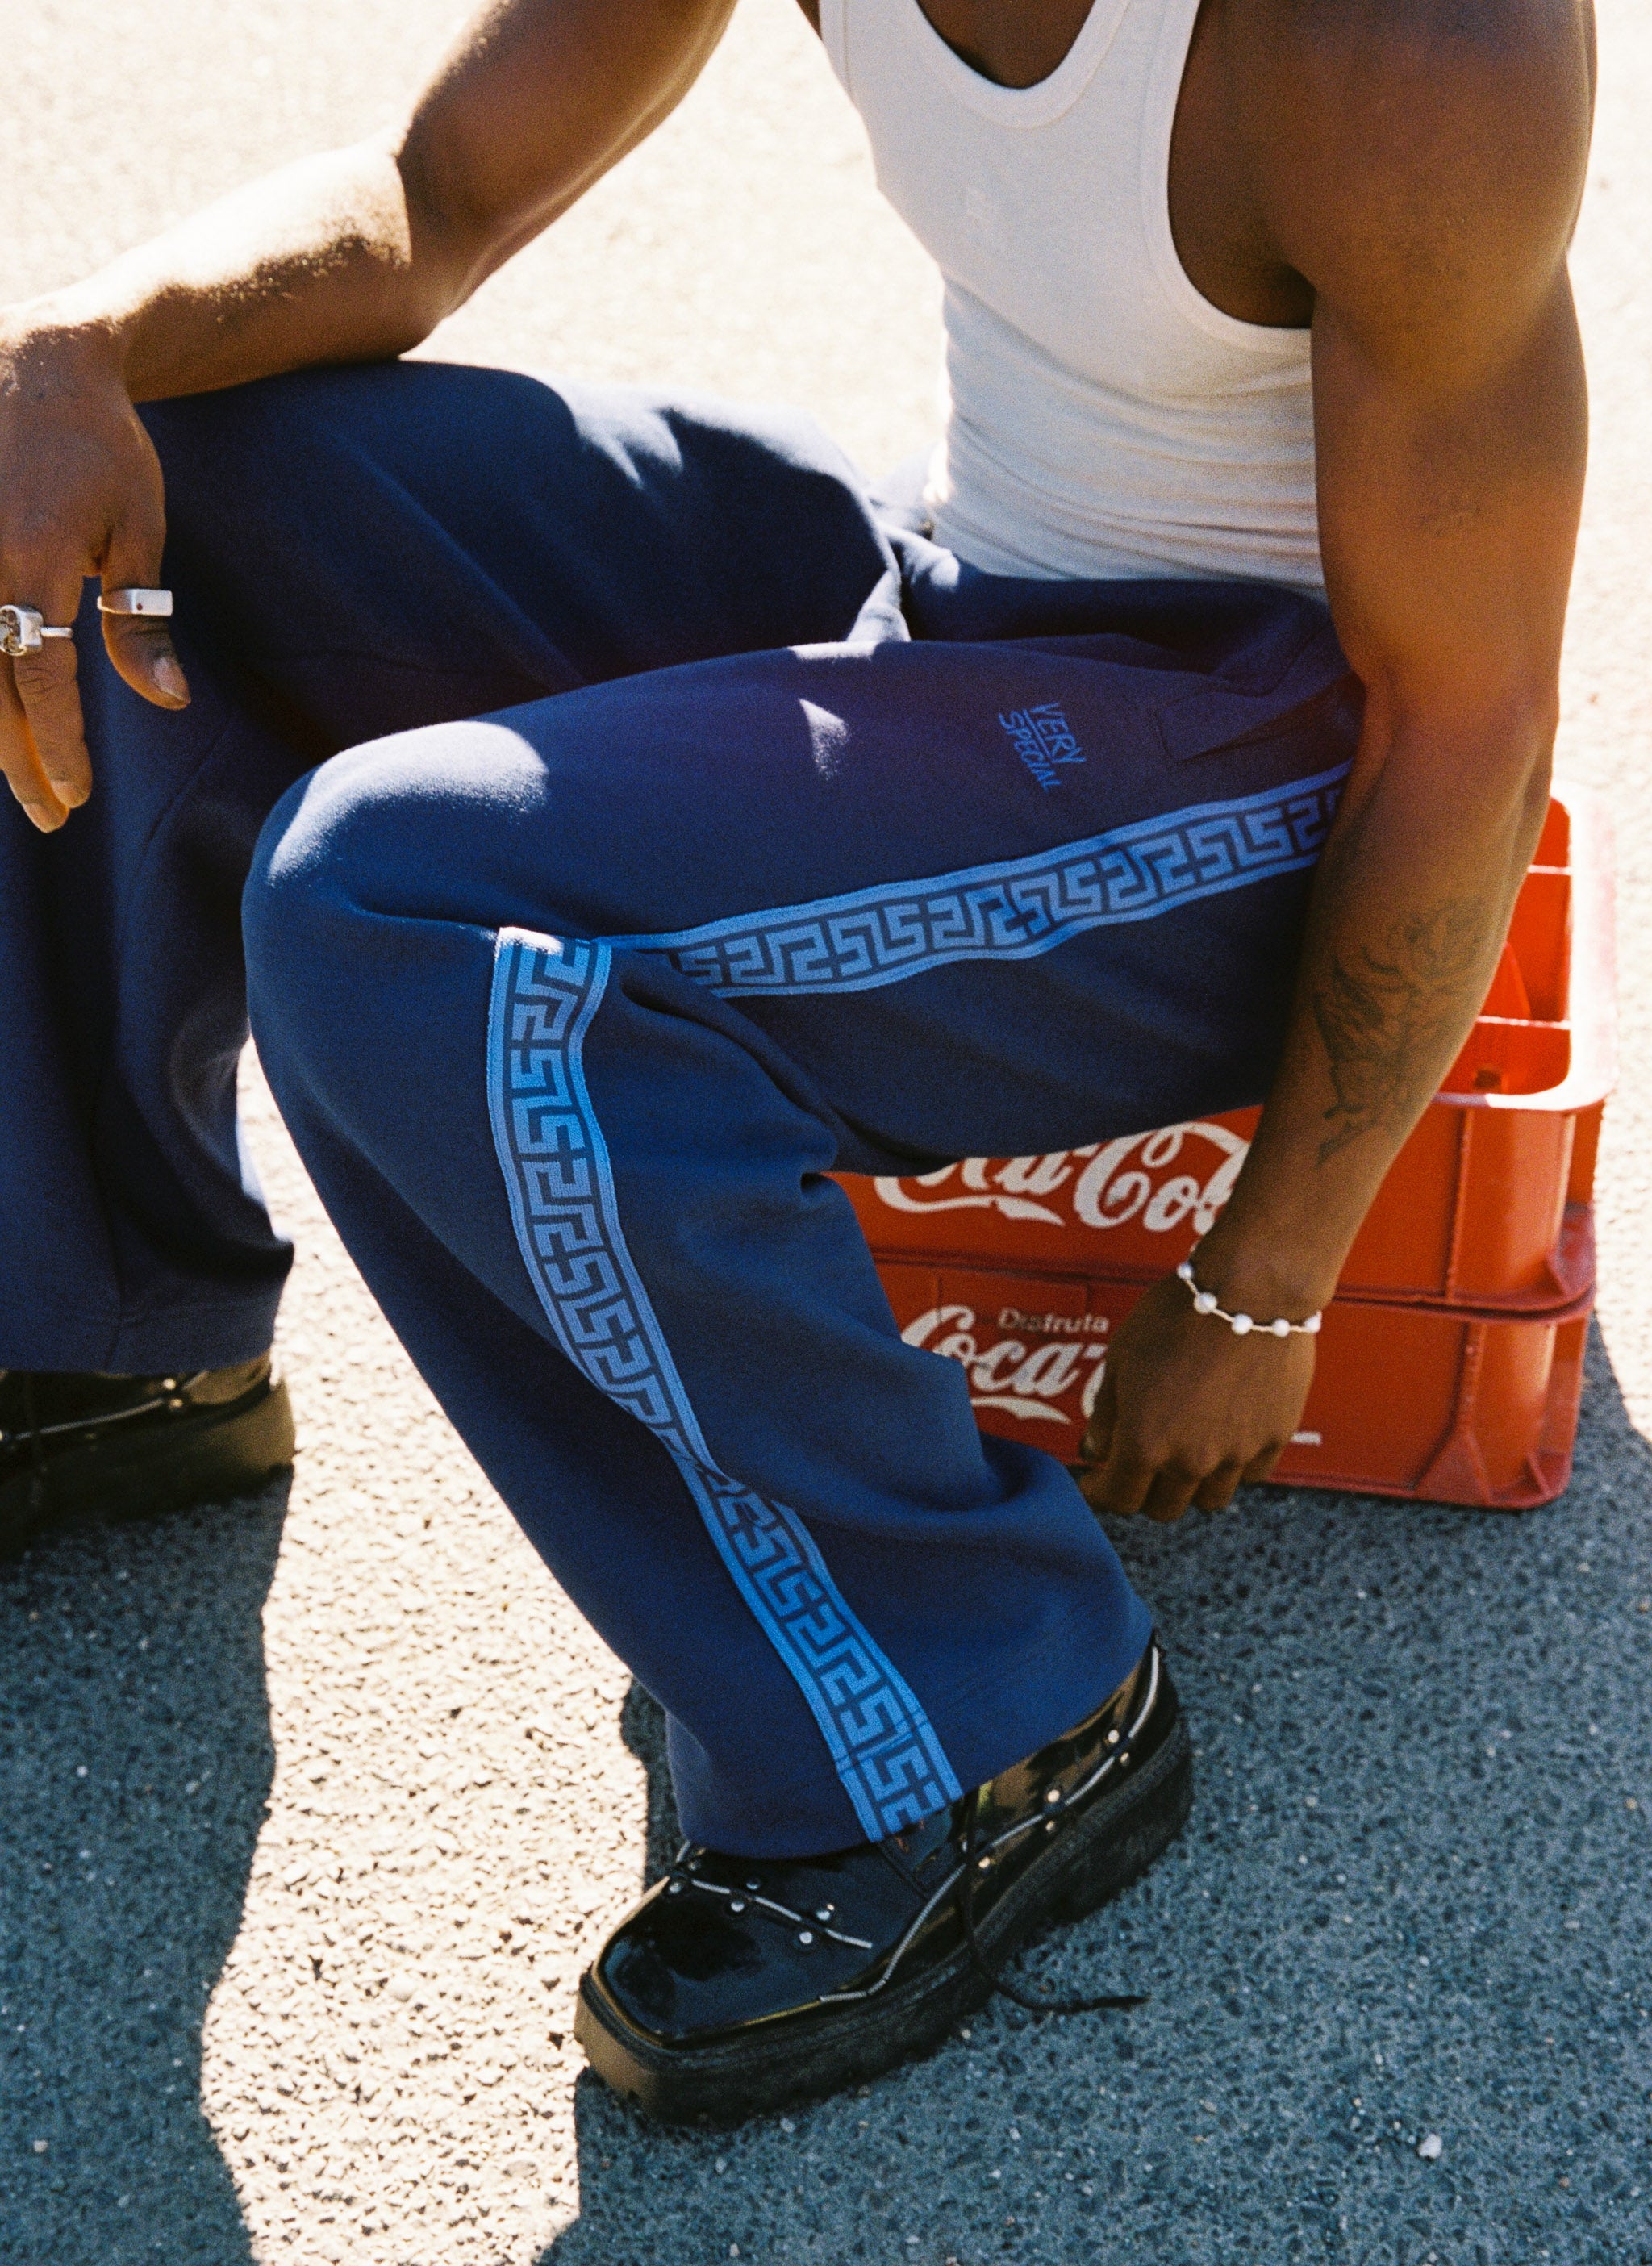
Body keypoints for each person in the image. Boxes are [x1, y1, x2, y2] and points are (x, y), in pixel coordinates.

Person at [0, 0, 1592, 2116]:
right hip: (949, 611)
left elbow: (1470, 721)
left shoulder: (1408, 49)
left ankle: (986, 1702)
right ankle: (104, 1331)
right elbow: (434, 194)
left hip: (1263, 772)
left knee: (400, 906)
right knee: (127, 479)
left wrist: (1261, 1267)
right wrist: (72, 352)